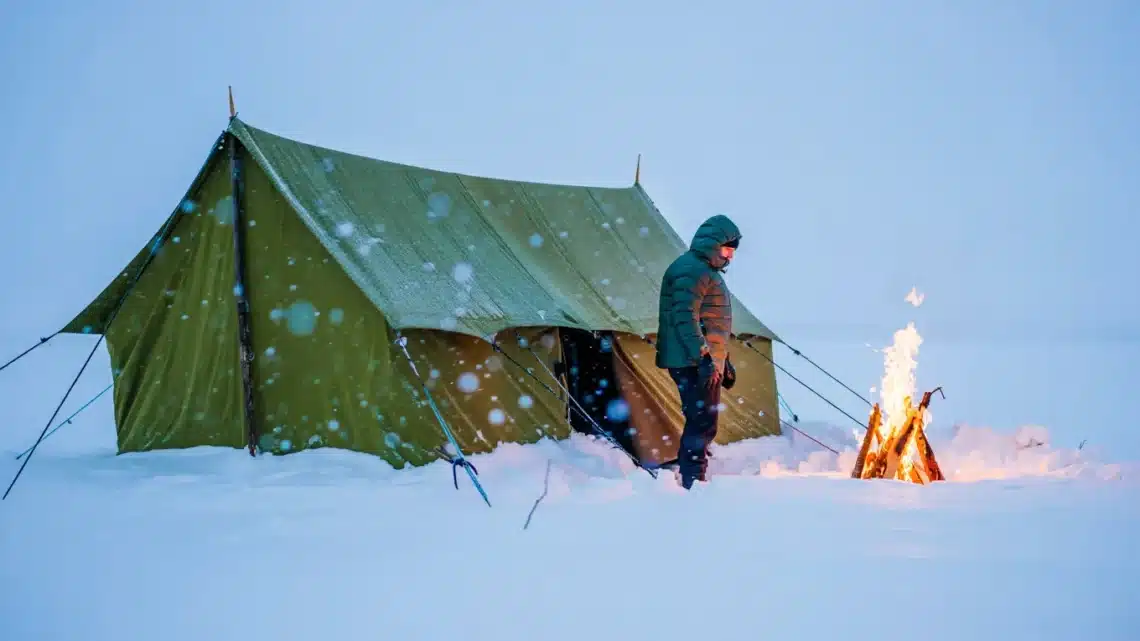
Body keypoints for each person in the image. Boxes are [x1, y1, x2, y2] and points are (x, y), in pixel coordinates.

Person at [655, 214, 741, 489]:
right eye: (726, 250)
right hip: (691, 360)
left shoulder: (703, 270)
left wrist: (723, 361)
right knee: (702, 421)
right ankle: (693, 482)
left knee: (702, 420)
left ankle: (692, 474)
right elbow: (685, 317)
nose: (730, 257)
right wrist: (704, 357)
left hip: (702, 359)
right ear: (713, 244)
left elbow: (712, 322)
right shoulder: (692, 271)